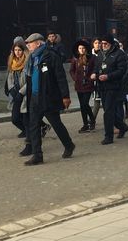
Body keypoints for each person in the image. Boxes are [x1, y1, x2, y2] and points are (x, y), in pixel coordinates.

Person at [24, 33, 75, 165]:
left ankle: (69, 145)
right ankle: (37, 155)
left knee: (56, 123)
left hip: (48, 96)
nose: (28, 45)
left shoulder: (51, 56)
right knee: (33, 125)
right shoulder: (32, 58)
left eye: (30, 43)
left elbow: (60, 77)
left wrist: (65, 96)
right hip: (35, 96)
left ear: (39, 43)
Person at [92, 34, 128, 145]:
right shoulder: (99, 54)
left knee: (108, 111)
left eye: (105, 44)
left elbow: (121, 70)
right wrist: (94, 73)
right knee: (108, 110)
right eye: (102, 43)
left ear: (111, 44)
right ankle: (122, 126)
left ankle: (108, 136)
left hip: (113, 86)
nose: (103, 45)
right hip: (102, 86)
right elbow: (97, 67)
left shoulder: (119, 54)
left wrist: (109, 76)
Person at [69, 39, 96, 132]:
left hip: (88, 84)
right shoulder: (75, 59)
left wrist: (92, 76)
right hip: (79, 84)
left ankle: (92, 119)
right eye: (80, 48)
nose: (82, 50)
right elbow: (71, 70)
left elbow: (94, 68)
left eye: (83, 48)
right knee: (82, 105)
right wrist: (75, 78)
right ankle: (85, 124)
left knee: (85, 103)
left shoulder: (91, 58)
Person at [5, 37, 29, 138]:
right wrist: (11, 89)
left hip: (25, 93)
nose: (17, 52)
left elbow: (29, 80)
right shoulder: (12, 61)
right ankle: (27, 131)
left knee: (26, 118)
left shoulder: (27, 62)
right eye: (15, 50)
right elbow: (9, 78)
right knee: (15, 119)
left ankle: (30, 135)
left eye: (19, 50)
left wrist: (21, 92)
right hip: (15, 93)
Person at [91, 37, 103, 123]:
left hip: (101, 79)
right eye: (95, 43)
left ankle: (92, 120)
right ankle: (92, 120)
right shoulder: (90, 55)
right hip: (92, 80)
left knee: (99, 101)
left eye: (99, 43)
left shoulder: (103, 54)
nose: (97, 44)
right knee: (96, 100)